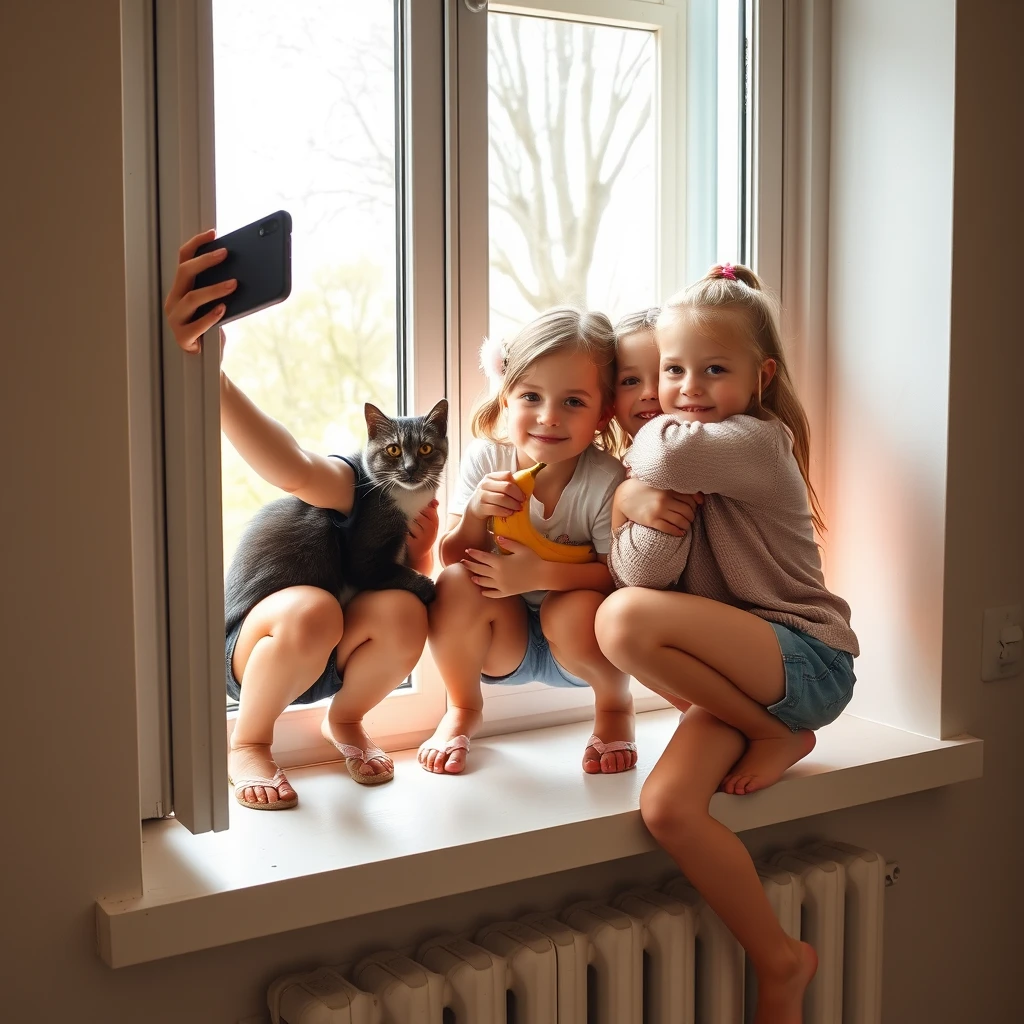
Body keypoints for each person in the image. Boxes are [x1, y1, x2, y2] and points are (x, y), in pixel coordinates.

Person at [596, 264, 859, 1019]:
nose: (687, 388)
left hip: (806, 659)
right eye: (672, 371)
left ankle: (774, 734)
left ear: (761, 375)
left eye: (714, 370)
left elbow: (665, 459)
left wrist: (622, 489)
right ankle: (780, 959)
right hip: (741, 678)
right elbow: (642, 568)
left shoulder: (753, 438)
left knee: (617, 623)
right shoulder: (688, 453)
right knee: (669, 811)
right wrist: (644, 506)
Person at [164, 229, 439, 809]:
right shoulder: (352, 485)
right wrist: (212, 377)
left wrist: (424, 552)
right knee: (315, 609)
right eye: (394, 452)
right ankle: (250, 741)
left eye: (425, 454)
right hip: (265, 647)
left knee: (406, 612)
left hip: (332, 651)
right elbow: (288, 466)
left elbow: (383, 585)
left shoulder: (414, 502)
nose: (411, 464)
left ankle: (345, 720)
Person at [418, 307, 635, 776]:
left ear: (603, 414)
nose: (548, 417)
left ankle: (615, 707)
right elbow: (451, 558)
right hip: (501, 640)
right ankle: (462, 708)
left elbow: (616, 577)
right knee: (456, 583)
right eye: (531, 396)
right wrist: (476, 512)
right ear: (506, 399)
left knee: (573, 608)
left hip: (578, 649)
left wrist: (539, 574)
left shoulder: (606, 479)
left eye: (573, 402)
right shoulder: (487, 459)